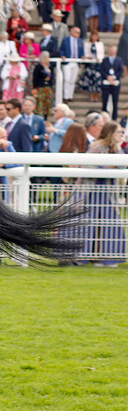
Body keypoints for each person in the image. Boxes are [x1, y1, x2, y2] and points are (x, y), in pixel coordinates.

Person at [82, 121, 125, 267]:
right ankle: (89, 256)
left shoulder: (117, 148)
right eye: (119, 132)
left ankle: (107, 257)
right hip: (94, 189)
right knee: (91, 222)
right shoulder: (96, 146)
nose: (121, 135)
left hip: (108, 190)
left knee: (110, 222)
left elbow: (121, 166)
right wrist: (108, 166)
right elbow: (88, 165)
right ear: (111, 133)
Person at [59, 26, 85, 102]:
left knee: (73, 80)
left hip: (76, 62)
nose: (78, 34)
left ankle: (70, 96)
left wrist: (82, 56)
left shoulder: (80, 41)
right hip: (68, 61)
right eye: (77, 32)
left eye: (79, 33)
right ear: (72, 32)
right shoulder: (66, 40)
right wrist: (62, 55)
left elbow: (81, 51)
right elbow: (61, 49)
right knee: (67, 79)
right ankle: (66, 96)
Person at [79, 31, 104, 102]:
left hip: (97, 65)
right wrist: (88, 57)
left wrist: (98, 58)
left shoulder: (100, 44)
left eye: (96, 35)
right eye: (93, 35)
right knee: (90, 81)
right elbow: (86, 53)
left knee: (97, 80)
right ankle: (91, 95)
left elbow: (101, 54)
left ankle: (96, 95)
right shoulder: (87, 44)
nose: (94, 37)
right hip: (89, 65)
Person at [99, 45, 122, 118]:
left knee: (115, 102)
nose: (112, 52)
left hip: (115, 83)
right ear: (108, 51)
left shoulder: (119, 60)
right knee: (104, 101)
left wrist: (114, 77)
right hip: (106, 83)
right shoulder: (105, 60)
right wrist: (107, 77)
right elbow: (101, 70)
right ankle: (104, 116)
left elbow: (121, 70)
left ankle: (114, 117)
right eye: (110, 50)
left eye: (113, 50)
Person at [31, 52, 54, 119]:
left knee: (47, 103)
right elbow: (35, 78)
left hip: (47, 87)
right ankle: (38, 117)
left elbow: (52, 78)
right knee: (40, 102)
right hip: (40, 87)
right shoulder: (38, 67)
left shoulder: (49, 67)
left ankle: (45, 117)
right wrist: (34, 88)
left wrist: (50, 87)